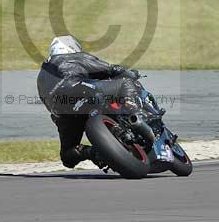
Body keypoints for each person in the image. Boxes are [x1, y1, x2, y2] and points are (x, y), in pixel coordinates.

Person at [36, 35, 142, 169]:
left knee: (68, 155)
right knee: (124, 82)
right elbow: (109, 69)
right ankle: (133, 111)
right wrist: (129, 73)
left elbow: (45, 100)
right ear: (72, 47)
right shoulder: (75, 57)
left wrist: (59, 118)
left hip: (61, 111)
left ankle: (95, 154)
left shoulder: (42, 74)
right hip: (81, 91)